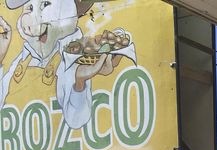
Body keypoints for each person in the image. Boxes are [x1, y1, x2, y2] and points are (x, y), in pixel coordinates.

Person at [0, 0, 126, 129]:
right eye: (29, 8)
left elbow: (76, 120)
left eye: (45, 5)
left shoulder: (71, 56)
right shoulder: (25, 56)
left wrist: (79, 82)